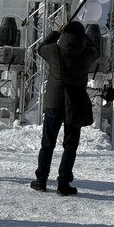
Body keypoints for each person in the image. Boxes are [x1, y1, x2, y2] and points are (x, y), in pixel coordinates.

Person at [31, 21, 97, 195]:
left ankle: (41, 179)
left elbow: (41, 48)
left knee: (48, 142)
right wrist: (84, 36)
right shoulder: (87, 54)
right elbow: (95, 49)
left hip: (55, 102)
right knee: (70, 145)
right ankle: (63, 183)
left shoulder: (54, 51)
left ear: (65, 34)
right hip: (75, 104)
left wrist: (55, 33)